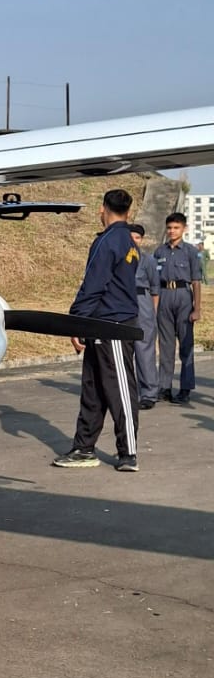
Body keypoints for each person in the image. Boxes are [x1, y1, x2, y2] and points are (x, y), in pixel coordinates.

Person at [52, 189, 140, 471]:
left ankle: (128, 453)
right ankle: (84, 448)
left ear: (103, 209)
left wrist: (76, 320)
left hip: (113, 325)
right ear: (128, 211)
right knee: (93, 389)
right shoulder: (128, 240)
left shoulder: (109, 241)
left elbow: (93, 284)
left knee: (119, 388)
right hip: (101, 323)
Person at [154, 212, 204, 405]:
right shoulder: (160, 252)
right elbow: (154, 281)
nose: (172, 231)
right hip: (164, 295)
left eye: (176, 228)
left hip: (183, 296)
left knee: (185, 344)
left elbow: (196, 281)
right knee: (165, 345)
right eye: (169, 228)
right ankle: (164, 387)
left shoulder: (191, 251)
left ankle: (185, 388)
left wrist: (196, 308)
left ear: (184, 229)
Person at [128, 224, 160, 410]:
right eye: (131, 237)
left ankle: (149, 393)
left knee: (144, 348)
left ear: (142, 240)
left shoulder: (148, 260)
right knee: (123, 349)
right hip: (123, 301)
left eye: (137, 237)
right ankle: (126, 392)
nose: (134, 240)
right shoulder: (119, 258)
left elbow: (155, 288)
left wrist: (152, 311)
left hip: (142, 302)